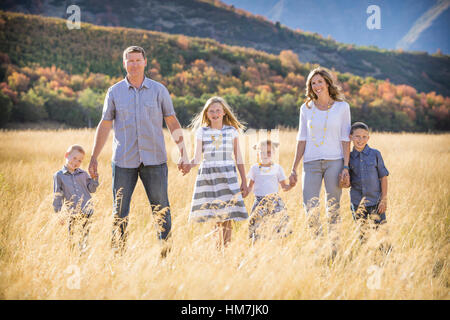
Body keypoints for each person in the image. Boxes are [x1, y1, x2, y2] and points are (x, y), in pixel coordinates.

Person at [88, 46, 190, 253]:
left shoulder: (158, 90)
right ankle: (118, 256)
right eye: (130, 60)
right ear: (124, 63)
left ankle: (166, 256)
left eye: (137, 60)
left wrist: (183, 152)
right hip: (124, 161)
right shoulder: (114, 92)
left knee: (161, 210)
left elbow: (172, 121)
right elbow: (105, 124)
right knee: (120, 211)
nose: (134, 64)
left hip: (155, 161)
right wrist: (93, 157)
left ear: (145, 62)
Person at [289, 67, 351, 257]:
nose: (316, 86)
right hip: (311, 163)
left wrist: (346, 167)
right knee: (310, 207)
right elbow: (302, 138)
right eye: (313, 83)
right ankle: (319, 249)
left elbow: (345, 139)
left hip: (335, 162)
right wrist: (294, 168)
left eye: (319, 82)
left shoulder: (342, 107)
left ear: (327, 83)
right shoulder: (305, 108)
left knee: (333, 208)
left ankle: (334, 251)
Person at [186, 96, 248, 248]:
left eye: (218, 110)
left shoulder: (231, 131)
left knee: (227, 216)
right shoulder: (202, 132)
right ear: (206, 114)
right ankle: (217, 249)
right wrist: (188, 165)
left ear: (224, 113)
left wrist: (244, 181)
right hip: (209, 176)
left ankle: (225, 248)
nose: (215, 113)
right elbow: (197, 158)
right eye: (211, 111)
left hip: (228, 175)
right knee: (215, 216)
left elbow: (238, 157)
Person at [53, 144, 99, 252]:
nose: (76, 162)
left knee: (85, 239)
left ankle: (84, 256)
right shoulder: (59, 176)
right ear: (67, 155)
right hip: (72, 213)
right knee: (72, 238)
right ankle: (73, 258)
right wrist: (59, 213)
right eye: (74, 158)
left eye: (79, 160)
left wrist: (94, 178)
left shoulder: (83, 174)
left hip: (87, 211)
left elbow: (92, 189)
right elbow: (57, 196)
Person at [349, 122, 389, 242]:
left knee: (382, 236)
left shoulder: (375, 154)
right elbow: (346, 183)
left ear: (368, 138)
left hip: (376, 202)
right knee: (363, 238)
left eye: (364, 137)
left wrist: (383, 200)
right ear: (350, 137)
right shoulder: (348, 157)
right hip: (357, 203)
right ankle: (368, 260)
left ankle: (387, 259)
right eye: (357, 136)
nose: (361, 140)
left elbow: (383, 177)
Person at [247, 139, 293, 244]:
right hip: (259, 202)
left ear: (273, 153)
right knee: (257, 230)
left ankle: (274, 250)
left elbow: (284, 187)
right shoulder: (254, 168)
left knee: (276, 230)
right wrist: (243, 191)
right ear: (258, 153)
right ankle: (256, 250)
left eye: (268, 152)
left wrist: (291, 185)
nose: (265, 155)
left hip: (274, 202)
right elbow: (249, 187)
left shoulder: (277, 168)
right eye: (262, 152)